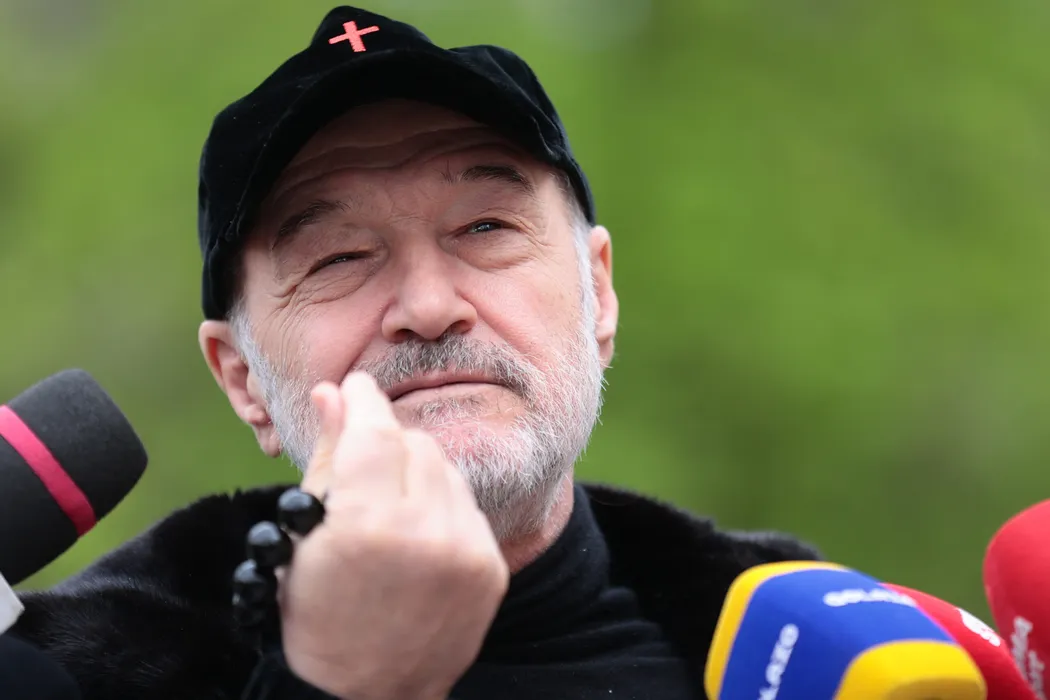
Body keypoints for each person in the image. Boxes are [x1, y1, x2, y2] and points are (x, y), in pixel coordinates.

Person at [10, 6, 820, 700]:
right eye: (338, 258)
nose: (430, 308)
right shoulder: (78, 669)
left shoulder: (824, 658)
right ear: (243, 379)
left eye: (485, 228)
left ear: (598, 296)